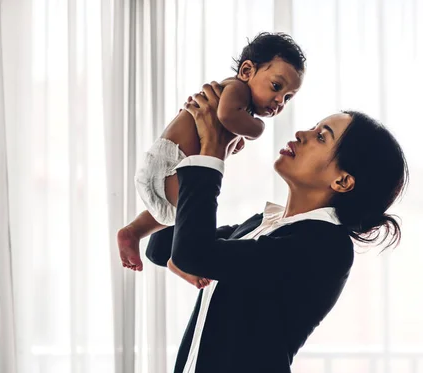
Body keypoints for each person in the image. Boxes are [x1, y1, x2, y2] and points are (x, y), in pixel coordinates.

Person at [145, 82, 409, 373]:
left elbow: (191, 255)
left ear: (343, 181)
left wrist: (211, 155)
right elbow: (160, 247)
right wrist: (195, 150)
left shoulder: (324, 245)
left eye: (321, 137)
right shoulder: (265, 225)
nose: (301, 134)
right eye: (313, 127)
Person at [117, 32, 306, 286]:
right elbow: (227, 116)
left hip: (162, 167)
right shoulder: (236, 89)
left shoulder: (233, 97)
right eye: (276, 86)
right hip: (172, 161)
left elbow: (223, 125)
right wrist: (256, 130)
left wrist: (233, 140)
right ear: (247, 70)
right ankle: (179, 261)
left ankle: (134, 231)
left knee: (170, 215)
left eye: (287, 97)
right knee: (194, 214)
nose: (279, 101)